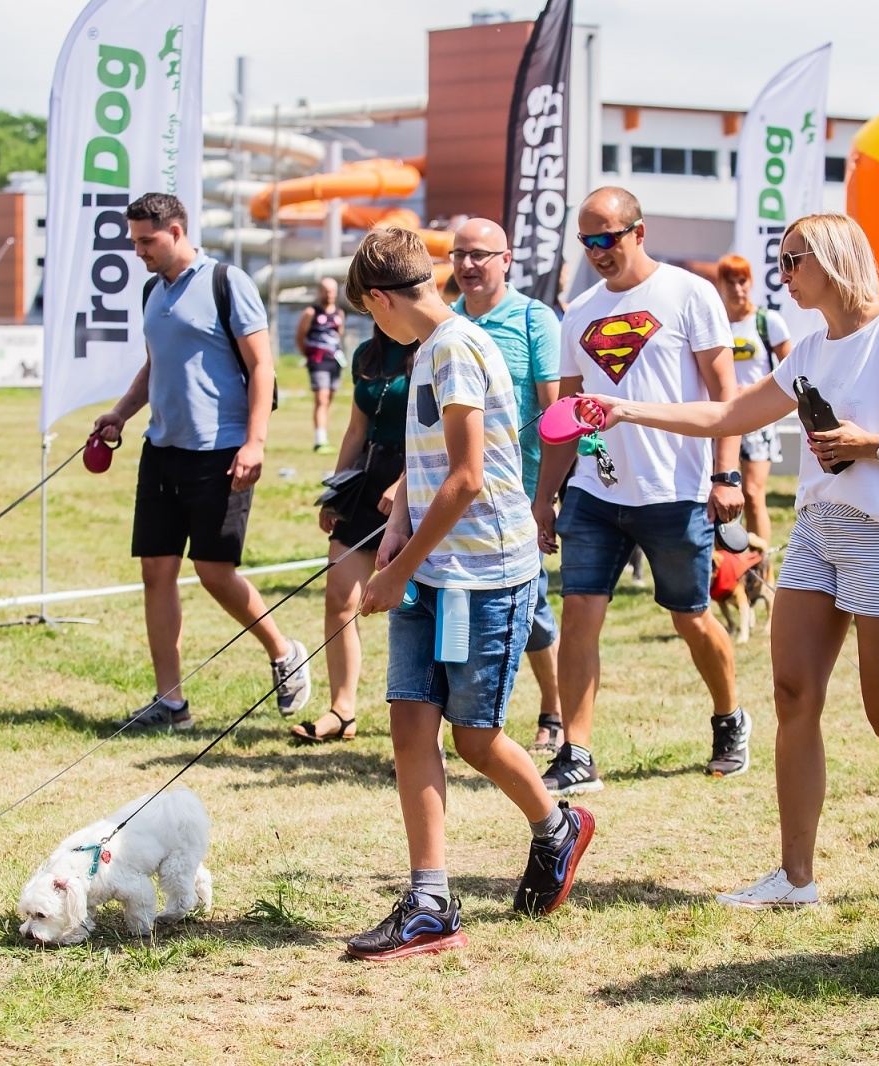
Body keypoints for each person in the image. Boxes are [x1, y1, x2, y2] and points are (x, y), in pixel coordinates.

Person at [587, 212, 879, 906]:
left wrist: (872, 444)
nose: (783, 275)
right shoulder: (807, 349)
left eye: (793, 261)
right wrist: (625, 410)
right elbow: (728, 416)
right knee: (794, 697)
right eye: (782, 262)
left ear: (831, 259)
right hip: (819, 530)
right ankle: (796, 879)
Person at [345, 227, 593, 960]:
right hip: (428, 570)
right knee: (409, 726)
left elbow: (467, 478)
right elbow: (430, 473)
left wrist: (392, 573)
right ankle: (430, 900)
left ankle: (557, 825)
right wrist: (395, 529)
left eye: (370, 313)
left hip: (483, 576)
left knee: (474, 737)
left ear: (385, 299)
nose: (374, 326)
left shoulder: (454, 348)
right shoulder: (430, 350)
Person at [532, 187, 749, 797]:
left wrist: (725, 475)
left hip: (674, 490)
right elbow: (566, 417)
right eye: (587, 241)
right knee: (580, 617)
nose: (598, 251)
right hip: (595, 494)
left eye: (608, 238)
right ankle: (578, 753)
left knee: (692, 618)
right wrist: (547, 496)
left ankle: (730, 717)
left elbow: (724, 396)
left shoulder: (689, 294)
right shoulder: (580, 312)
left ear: (638, 232)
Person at [94, 192, 311, 732]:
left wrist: (255, 442)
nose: (138, 251)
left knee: (214, 573)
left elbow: (262, 366)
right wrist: (120, 414)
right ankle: (171, 704)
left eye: (147, 240)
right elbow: (155, 367)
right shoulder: (153, 290)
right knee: (156, 572)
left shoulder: (226, 283)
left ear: (175, 231)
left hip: (221, 452)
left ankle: (284, 652)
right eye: (135, 240)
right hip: (161, 450)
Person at [450, 217, 565, 754]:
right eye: (460, 255)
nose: (468, 265)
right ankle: (457, 715)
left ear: (505, 259)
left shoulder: (533, 319)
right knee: (449, 603)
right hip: (455, 494)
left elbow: (554, 411)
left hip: (517, 495)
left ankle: (554, 708)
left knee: (532, 609)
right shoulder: (445, 322)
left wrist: (550, 494)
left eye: (480, 255)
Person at [292, 325, 416, 742]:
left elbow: (438, 434)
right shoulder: (366, 353)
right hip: (364, 481)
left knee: (417, 610)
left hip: (415, 482)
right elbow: (355, 430)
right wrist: (334, 494)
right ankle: (342, 711)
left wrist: (405, 482)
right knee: (339, 598)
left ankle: (423, 727)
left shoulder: (432, 349)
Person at [716, 253, 792, 545]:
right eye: (731, 281)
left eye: (743, 280)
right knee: (721, 489)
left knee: (752, 492)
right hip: (722, 417)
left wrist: (758, 393)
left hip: (759, 418)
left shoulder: (767, 321)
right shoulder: (715, 322)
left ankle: (759, 566)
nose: (737, 288)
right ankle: (726, 569)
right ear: (720, 284)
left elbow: (791, 367)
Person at [295, 278, 347, 453]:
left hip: (334, 361)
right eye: (326, 290)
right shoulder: (311, 312)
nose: (329, 294)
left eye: (332, 291)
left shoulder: (339, 313)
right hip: (318, 362)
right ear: (319, 291)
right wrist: (309, 355)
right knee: (321, 399)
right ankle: (319, 439)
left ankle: (324, 434)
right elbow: (299, 336)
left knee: (328, 400)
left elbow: (339, 335)